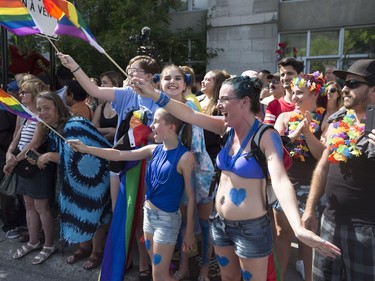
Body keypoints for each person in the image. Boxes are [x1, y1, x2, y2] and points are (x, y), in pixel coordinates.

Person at [132, 74, 341, 281]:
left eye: (224, 99)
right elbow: (189, 114)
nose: (219, 104)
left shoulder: (266, 136)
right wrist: (154, 94)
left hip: (251, 229)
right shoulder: (226, 128)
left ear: (244, 102)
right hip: (220, 224)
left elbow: (280, 179)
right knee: (229, 278)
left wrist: (297, 227)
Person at [58, 52, 160, 280]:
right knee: (120, 213)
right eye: (129, 69)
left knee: (142, 217)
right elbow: (93, 91)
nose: (130, 73)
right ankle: (125, 257)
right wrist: (74, 65)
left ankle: (144, 259)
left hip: (146, 164)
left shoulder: (159, 98)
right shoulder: (125, 94)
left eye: (135, 70)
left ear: (150, 76)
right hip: (118, 163)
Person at [68, 108, 196, 281]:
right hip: (148, 217)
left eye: (156, 121)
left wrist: (189, 232)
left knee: (159, 275)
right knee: (159, 272)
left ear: (172, 127)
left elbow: (191, 196)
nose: (151, 125)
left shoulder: (185, 157)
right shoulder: (154, 149)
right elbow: (119, 154)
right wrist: (86, 149)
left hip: (167, 221)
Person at [302, 59, 375, 281]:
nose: (344, 88)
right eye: (345, 82)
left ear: (373, 89)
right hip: (330, 221)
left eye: (353, 84)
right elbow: (323, 167)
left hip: (368, 229)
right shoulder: (338, 121)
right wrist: (309, 209)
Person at [35, 92, 111, 270]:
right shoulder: (53, 128)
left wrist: (48, 156)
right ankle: (84, 247)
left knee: (95, 211)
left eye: (47, 108)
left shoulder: (75, 124)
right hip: (76, 178)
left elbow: (82, 157)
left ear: (58, 107)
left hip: (96, 176)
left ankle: (97, 251)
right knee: (78, 210)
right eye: (39, 109)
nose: (42, 112)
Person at [153, 65, 214, 281]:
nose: (172, 81)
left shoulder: (190, 107)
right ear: (159, 83)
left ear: (185, 83)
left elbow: (195, 149)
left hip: (200, 172)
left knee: (204, 224)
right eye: (167, 77)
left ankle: (206, 269)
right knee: (182, 223)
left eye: (177, 78)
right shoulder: (157, 109)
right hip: (175, 173)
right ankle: (185, 265)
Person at [273, 72, 327, 281]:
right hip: (286, 184)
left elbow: (322, 155)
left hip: (310, 186)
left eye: (300, 93)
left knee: (306, 236)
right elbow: (276, 146)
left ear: (314, 95)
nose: (294, 97)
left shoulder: (325, 119)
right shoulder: (284, 118)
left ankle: (308, 277)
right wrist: (293, 133)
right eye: (293, 92)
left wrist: (307, 133)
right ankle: (279, 276)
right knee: (281, 233)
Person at [4, 79, 57, 265]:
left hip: (36, 166)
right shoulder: (23, 114)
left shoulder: (40, 116)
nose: (20, 95)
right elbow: (16, 136)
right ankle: (33, 241)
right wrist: (9, 153)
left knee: (42, 208)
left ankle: (49, 244)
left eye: (24, 92)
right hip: (21, 163)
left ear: (34, 94)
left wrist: (13, 160)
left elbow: (34, 143)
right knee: (28, 205)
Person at [199, 69, 231, 163]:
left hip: (213, 155)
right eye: (203, 79)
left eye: (207, 80)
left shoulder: (222, 106)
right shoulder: (196, 100)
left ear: (218, 84)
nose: (202, 82)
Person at [92, 71, 122, 143]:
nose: (101, 86)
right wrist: (109, 130)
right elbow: (92, 128)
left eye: (105, 83)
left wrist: (102, 132)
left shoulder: (123, 106)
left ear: (115, 85)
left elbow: (120, 131)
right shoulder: (100, 107)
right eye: (101, 83)